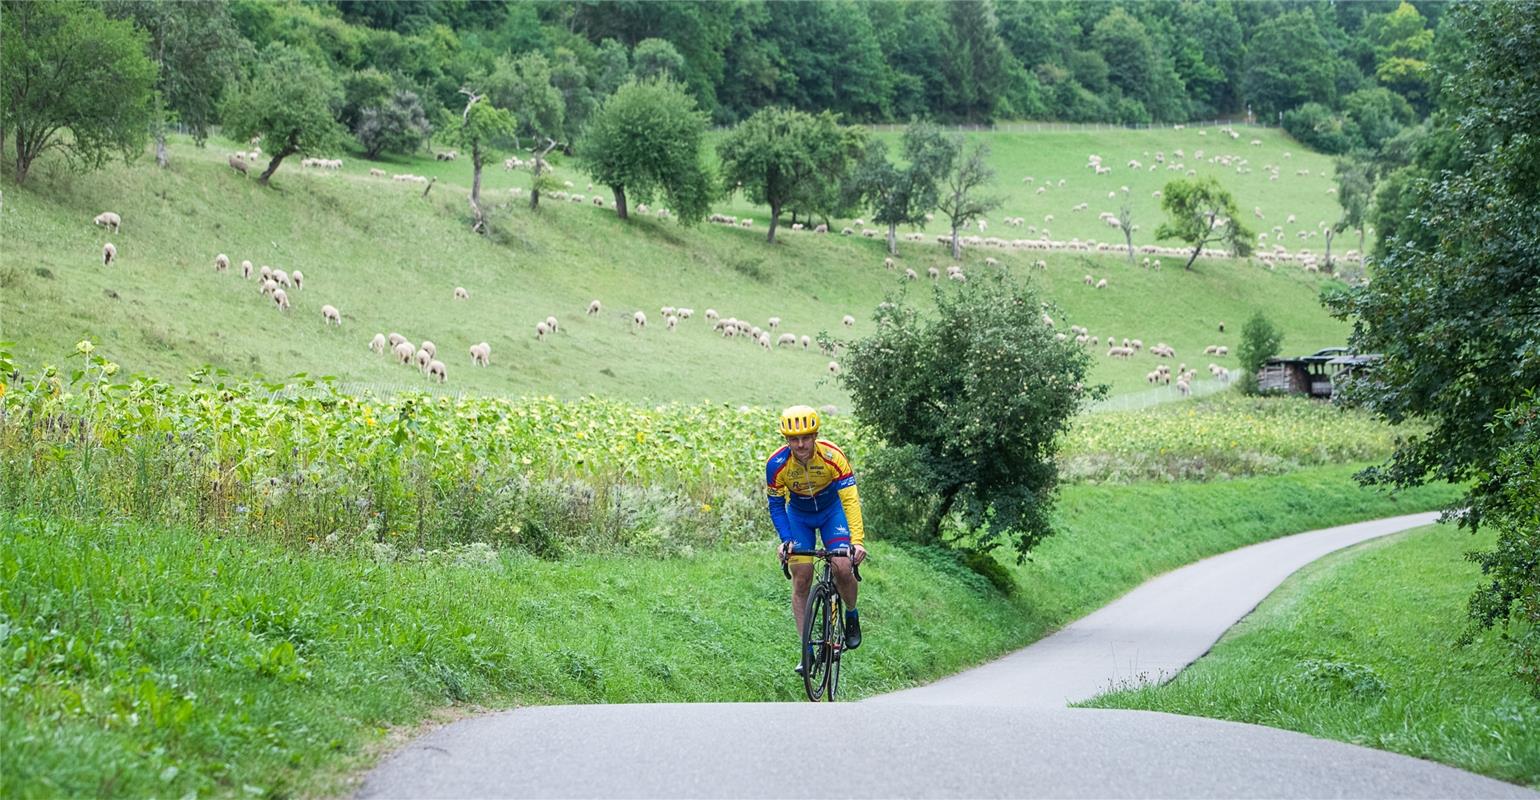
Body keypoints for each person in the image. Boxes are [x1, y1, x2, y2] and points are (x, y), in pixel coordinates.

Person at [766, 405, 867, 673]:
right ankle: (806, 650)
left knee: (843, 568)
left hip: (832, 512)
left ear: (815, 436)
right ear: (786, 440)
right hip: (799, 516)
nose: (800, 444)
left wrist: (857, 541)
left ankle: (852, 612)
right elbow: (776, 505)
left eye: (806, 437)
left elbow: (850, 500)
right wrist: (786, 539)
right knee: (801, 575)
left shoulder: (833, 456)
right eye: (794, 439)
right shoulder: (776, 465)